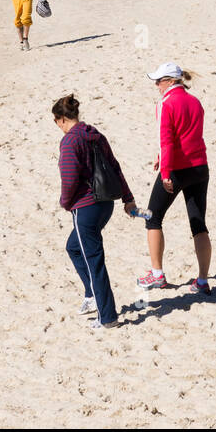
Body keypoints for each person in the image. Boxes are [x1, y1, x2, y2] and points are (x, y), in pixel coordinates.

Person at [53, 93, 137, 330]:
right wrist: (128, 198)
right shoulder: (96, 135)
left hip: (85, 207)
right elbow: (115, 166)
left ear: (60, 120)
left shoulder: (70, 141)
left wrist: (65, 202)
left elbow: (69, 178)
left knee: (94, 260)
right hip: (106, 203)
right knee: (74, 247)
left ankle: (107, 316)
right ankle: (92, 294)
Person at [136, 63, 212, 296]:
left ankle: (157, 275)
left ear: (170, 81)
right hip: (199, 167)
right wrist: (161, 156)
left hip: (177, 169)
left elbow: (168, 139)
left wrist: (166, 171)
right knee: (198, 223)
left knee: (152, 217)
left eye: (158, 81)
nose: (156, 86)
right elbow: (187, 133)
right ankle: (202, 281)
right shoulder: (195, 101)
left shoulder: (166, 103)